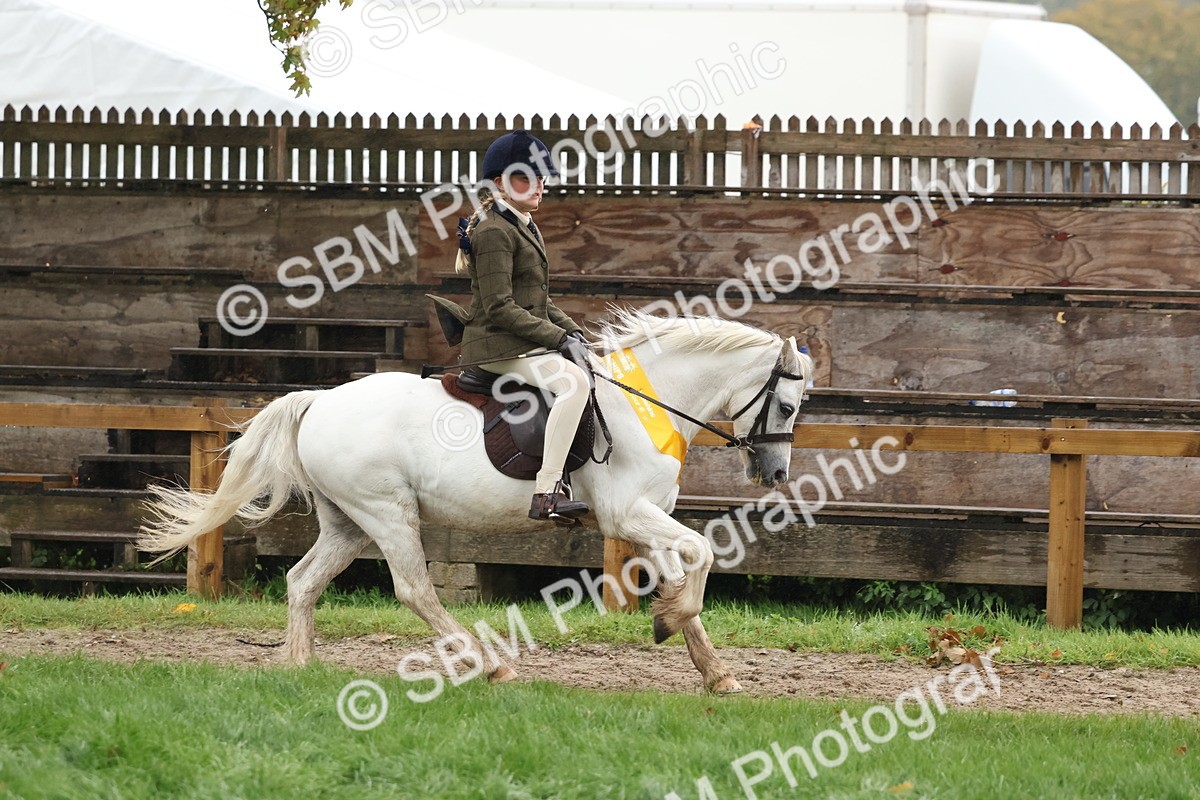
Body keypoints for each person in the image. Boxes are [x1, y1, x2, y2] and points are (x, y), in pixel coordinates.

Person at [433, 130, 593, 522]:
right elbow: (500, 308)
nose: (539, 185)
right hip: (497, 346)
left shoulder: (521, 223)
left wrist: (575, 334)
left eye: (542, 177)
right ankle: (547, 493)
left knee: (591, 368)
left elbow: (538, 300)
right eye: (527, 177)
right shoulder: (492, 231)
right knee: (573, 384)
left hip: (518, 340)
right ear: (500, 183)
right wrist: (558, 338)